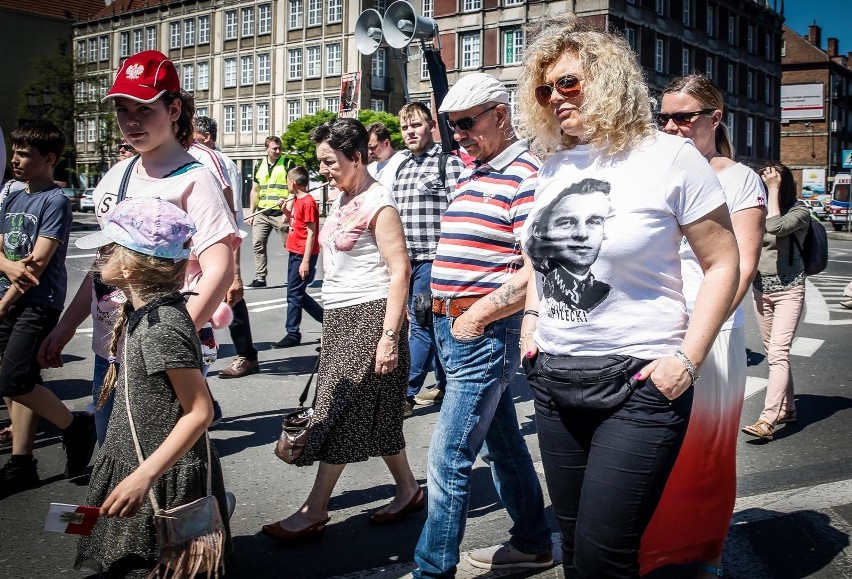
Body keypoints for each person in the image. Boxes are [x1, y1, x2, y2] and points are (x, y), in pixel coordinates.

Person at [516, 15, 740, 577]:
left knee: (602, 557)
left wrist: (686, 360)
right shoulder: (554, 164)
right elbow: (536, 253)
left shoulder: (670, 157)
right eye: (545, 90)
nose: (555, 99)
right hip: (555, 379)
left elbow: (723, 262)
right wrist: (531, 323)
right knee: (573, 547)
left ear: (610, 78)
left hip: (640, 384)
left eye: (568, 82)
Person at [37, 50, 238, 445]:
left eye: (144, 109)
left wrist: (168, 343)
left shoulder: (196, 181)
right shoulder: (116, 176)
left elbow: (220, 268)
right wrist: (66, 324)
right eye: (123, 109)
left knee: (155, 467)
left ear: (174, 108)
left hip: (159, 353)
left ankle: (208, 506)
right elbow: (104, 264)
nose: (131, 121)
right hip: (109, 345)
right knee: (113, 450)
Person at [412, 73, 553, 577]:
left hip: (482, 332)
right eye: (452, 128)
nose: (459, 137)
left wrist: (475, 315)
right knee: (503, 444)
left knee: (447, 455)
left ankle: (432, 569)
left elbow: (535, 268)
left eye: (467, 124)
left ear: (500, 114)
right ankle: (534, 541)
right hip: (457, 329)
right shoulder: (476, 170)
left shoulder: (525, 173)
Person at [261, 118, 420, 542]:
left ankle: (315, 509)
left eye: (331, 162)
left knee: (337, 411)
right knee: (379, 413)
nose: (325, 170)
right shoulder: (341, 196)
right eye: (321, 163)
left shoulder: (379, 204)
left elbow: (400, 270)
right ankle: (408, 490)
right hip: (340, 317)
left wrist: (389, 337)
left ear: (357, 157)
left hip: (370, 317)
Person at [641, 73, 767, 578]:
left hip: (711, 332)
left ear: (715, 118)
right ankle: (649, 549)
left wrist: (701, 339)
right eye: (664, 117)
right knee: (650, 446)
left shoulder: (739, 179)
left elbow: (742, 265)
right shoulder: (658, 171)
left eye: (683, 117)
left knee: (707, 448)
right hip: (655, 326)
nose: (671, 127)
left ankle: (705, 551)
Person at [74, 198, 230, 577]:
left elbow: (200, 411)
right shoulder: (142, 313)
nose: (99, 257)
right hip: (137, 456)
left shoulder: (163, 326)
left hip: (159, 474)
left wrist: (143, 477)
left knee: (154, 564)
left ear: (127, 266)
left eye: (107, 249)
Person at [0, 121, 96, 497]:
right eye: (15, 152)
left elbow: (37, 265)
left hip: (37, 302)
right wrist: (7, 266)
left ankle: (74, 426)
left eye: (25, 154)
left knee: (14, 381)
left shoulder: (53, 201)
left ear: (49, 159)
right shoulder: (12, 194)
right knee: (20, 383)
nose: (16, 160)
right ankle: (22, 462)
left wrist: (3, 304)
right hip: (9, 295)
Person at [393, 102, 465, 413]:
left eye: (416, 125)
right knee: (432, 325)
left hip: (435, 259)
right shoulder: (402, 166)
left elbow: (462, 212)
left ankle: (404, 395)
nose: (410, 132)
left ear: (431, 126)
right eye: (405, 127)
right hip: (407, 262)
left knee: (420, 327)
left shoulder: (447, 164)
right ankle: (447, 384)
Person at [741, 163, 810, 441]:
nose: (766, 184)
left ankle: (767, 420)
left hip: (789, 290)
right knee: (774, 353)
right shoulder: (757, 210)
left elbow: (775, 226)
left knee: (779, 353)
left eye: (772, 181)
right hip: (761, 289)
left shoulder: (800, 211)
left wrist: (772, 190)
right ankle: (789, 408)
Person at [193, 116, 259, 379]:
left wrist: (235, 271)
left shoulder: (218, 163)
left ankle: (246, 355)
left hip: (219, 243)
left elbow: (229, 220)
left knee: (230, 299)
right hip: (195, 249)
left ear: (207, 137)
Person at [273, 166, 323, 348]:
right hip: (294, 250)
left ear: (293, 183)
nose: (287, 184)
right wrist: (284, 210)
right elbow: (294, 220)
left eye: (287, 181)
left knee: (294, 295)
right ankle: (327, 320)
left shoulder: (308, 202)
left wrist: (306, 261)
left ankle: (292, 333)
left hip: (303, 253)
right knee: (297, 294)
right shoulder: (296, 200)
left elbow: (311, 233)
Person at [246, 136, 290, 289]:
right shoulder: (259, 165)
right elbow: (255, 190)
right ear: (267, 149)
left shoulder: (288, 163)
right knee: (258, 244)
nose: (278, 151)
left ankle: (298, 275)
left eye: (279, 148)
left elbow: (294, 189)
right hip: (262, 212)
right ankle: (260, 278)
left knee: (290, 245)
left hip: (280, 213)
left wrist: (288, 210)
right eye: (274, 148)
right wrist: (252, 213)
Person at [366, 121, 405, 189]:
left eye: (373, 148)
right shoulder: (371, 168)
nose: (369, 152)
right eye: (367, 148)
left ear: (386, 143)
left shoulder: (403, 163)